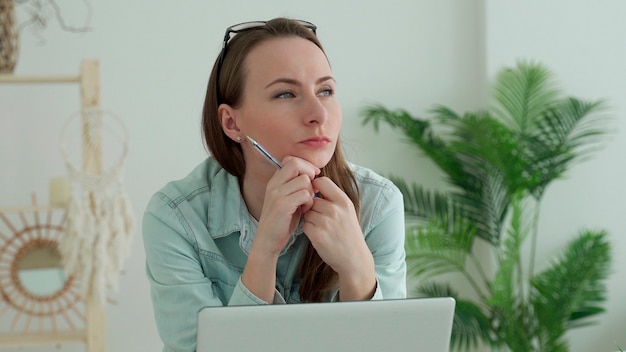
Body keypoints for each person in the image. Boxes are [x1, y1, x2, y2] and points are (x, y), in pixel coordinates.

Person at [142, 17, 407, 351]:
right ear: (231, 122)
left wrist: (358, 269)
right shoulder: (175, 217)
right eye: (286, 94)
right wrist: (263, 252)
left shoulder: (378, 203)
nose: (318, 114)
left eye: (325, 90)